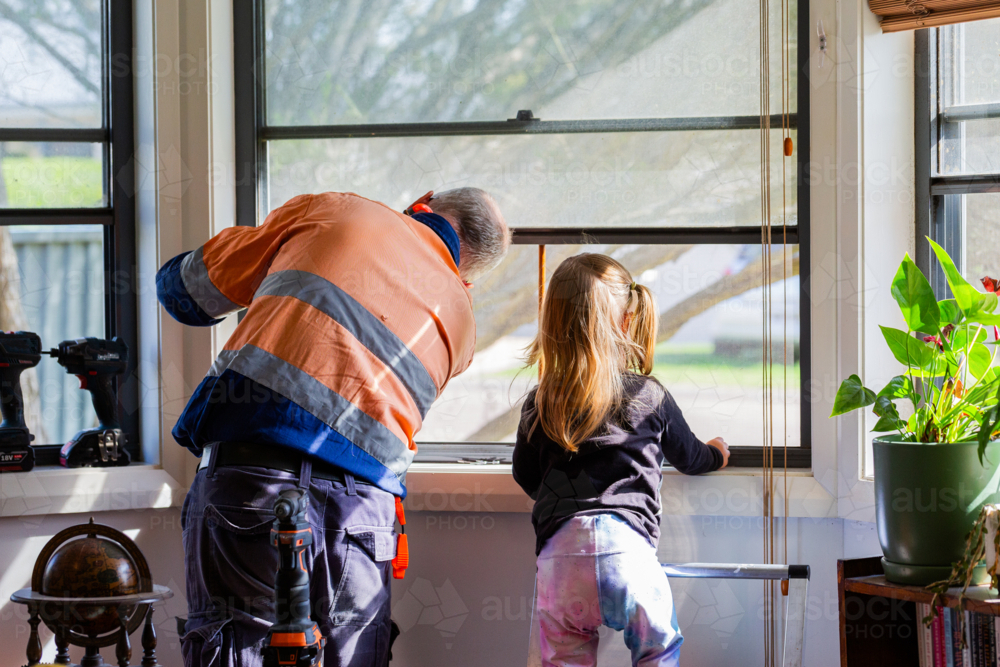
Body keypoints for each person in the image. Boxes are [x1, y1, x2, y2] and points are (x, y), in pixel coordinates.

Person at [155, 188, 510, 667]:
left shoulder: (338, 210)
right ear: (466, 277)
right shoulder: (461, 323)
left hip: (253, 482)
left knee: (236, 646)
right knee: (355, 654)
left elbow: (189, 294)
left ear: (424, 200)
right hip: (363, 516)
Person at [512, 253, 730, 667]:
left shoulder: (540, 401)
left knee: (561, 660)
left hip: (561, 562)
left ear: (553, 324)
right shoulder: (649, 396)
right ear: (628, 320)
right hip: (628, 556)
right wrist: (716, 454)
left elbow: (524, 475)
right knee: (657, 650)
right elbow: (690, 456)